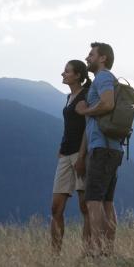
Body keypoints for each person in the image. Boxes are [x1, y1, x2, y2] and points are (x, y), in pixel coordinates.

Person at [75, 42, 123, 256]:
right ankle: (108, 252)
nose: (87, 58)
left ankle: (97, 251)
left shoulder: (103, 77)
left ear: (102, 58)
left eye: (91, 54)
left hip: (102, 149)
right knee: (107, 202)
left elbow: (107, 104)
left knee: (93, 201)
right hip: (111, 148)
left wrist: (84, 111)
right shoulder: (105, 78)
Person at [50, 60, 91, 254]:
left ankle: (87, 254)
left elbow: (87, 130)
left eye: (66, 72)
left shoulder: (85, 96)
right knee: (55, 209)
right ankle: (55, 256)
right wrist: (61, 148)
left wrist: (82, 157)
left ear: (77, 75)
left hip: (80, 155)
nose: (63, 74)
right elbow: (70, 127)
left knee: (85, 208)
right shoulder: (69, 97)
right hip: (65, 155)